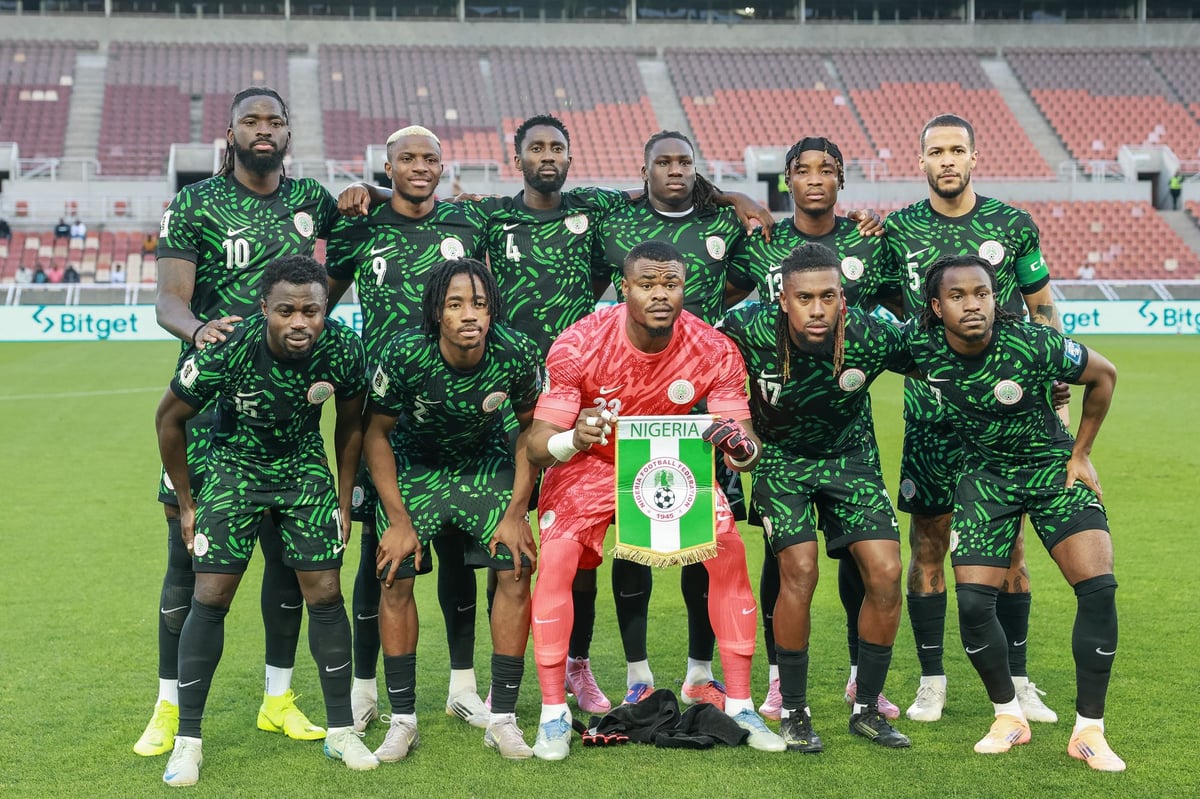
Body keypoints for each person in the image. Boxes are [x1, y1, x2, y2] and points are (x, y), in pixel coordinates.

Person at [136, 86, 340, 758]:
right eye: (250, 120)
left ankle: (277, 698)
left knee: (292, 563)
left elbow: (340, 265)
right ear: (229, 133)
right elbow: (169, 298)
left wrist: (363, 199)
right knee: (186, 562)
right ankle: (168, 706)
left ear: (288, 132)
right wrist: (200, 332)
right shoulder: (195, 203)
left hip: (286, 419)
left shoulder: (312, 202)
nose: (263, 130)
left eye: (274, 120)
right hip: (210, 411)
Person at [526, 241, 785, 761]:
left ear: (684, 287)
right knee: (555, 559)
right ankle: (553, 714)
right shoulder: (580, 342)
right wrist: (574, 436)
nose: (660, 294)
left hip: (672, 459)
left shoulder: (713, 348)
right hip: (591, 464)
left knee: (729, 548)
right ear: (625, 288)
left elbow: (747, 450)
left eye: (671, 285)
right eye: (648, 285)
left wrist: (736, 445)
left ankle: (739, 703)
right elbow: (537, 444)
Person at [155, 255, 376, 786]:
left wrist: (344, 499)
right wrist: (187, 503)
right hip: (234, 465)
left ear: (325, 309)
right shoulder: (227, 345)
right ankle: (188, 743)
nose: (299, 322)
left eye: (311, 311)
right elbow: (169, 419)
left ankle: (341, 731)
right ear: (264, 309)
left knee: (325, 593)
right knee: (211, 596)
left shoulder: (344, 347)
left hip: (302, 468)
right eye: (286, 311)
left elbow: (350, 423)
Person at [909, 253, 1123, 772]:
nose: (972, 304)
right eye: (957, 296)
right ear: (936, 307)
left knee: (1097, 588)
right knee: (975, 606)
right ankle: (1008, 716)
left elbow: (1105, 376)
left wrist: (1081, 452)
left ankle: (1089, 731)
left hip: (1052, 469)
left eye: (981, 293)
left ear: (995, 297)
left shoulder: (1033, 342)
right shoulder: (921, 346)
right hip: (985, 477)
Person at [883, 114, 1062, 724]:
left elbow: (1041, 305)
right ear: (922, 160)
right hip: (931, 419)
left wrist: (1052, 373)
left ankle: (1018, 676)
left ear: (974, 156)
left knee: (1009, 551)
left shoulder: (1012, 224)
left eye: (958, 148)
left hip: (1004, 422)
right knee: (928, 544)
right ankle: (932, 679)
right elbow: (885, 303)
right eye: (937, 151)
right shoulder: (898, 229)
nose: (948, 160)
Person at [326, 125, 494, 733]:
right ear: (387, 166)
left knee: (457, 559)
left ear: (444, 167)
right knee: (383, 559)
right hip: (385, 419)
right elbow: (324, 292)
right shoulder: (363, 224)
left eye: (431, 159)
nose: (420, 167)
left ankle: (462, 687)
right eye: (407, 159)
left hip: (460, 420)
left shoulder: (471, 226)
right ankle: (365, 688)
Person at [728, 136, 901, 721]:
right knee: (790, 565)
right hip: (778, 446)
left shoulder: (868, 250)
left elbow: (928, 331)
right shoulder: (760, 253)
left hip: (849, 443)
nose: (818, 308)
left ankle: (865, 690)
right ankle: (786, 692)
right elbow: (704, 335)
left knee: (875, 566)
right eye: (803, 171)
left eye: (828, 170)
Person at [363, 258, 542, 761]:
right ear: (436, 312)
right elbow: (376, 433)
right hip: (416, 468)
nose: (470, 315)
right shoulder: (404, 353)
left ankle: (502, 718)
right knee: (393, 574)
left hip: (483, 466)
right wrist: (398, 520)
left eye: (480, 304)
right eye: (456, 304)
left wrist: (516, 511)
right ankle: (402, 722)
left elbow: (531, 430)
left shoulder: (515, 351)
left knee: (516, 568)